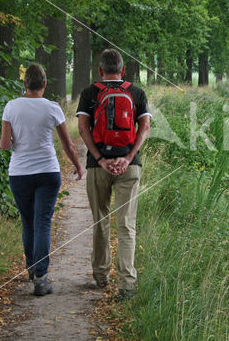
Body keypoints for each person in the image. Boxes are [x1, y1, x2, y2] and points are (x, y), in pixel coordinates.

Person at [0, 63, 83, 296]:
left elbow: (5, 146)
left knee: (28, 222)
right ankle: (41, 277)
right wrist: (78, 166)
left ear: (25, 84)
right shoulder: (52, 108)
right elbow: (68, 144)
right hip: (48, 172)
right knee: (43, 223)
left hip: (19, 174)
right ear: (44, 84)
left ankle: (31, 267)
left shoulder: (11, 107)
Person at [76, 49, 151, 300]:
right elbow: (145, 127)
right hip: (129, 167)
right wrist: (128, 157)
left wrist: (100, 159)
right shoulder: (136, 92)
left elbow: (83, 128)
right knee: (126, 225)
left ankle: (100, 275)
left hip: (98, 167)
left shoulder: (90, 93)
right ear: (123, 69)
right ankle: (126, 285)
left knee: (100, 220)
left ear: (100, 71)